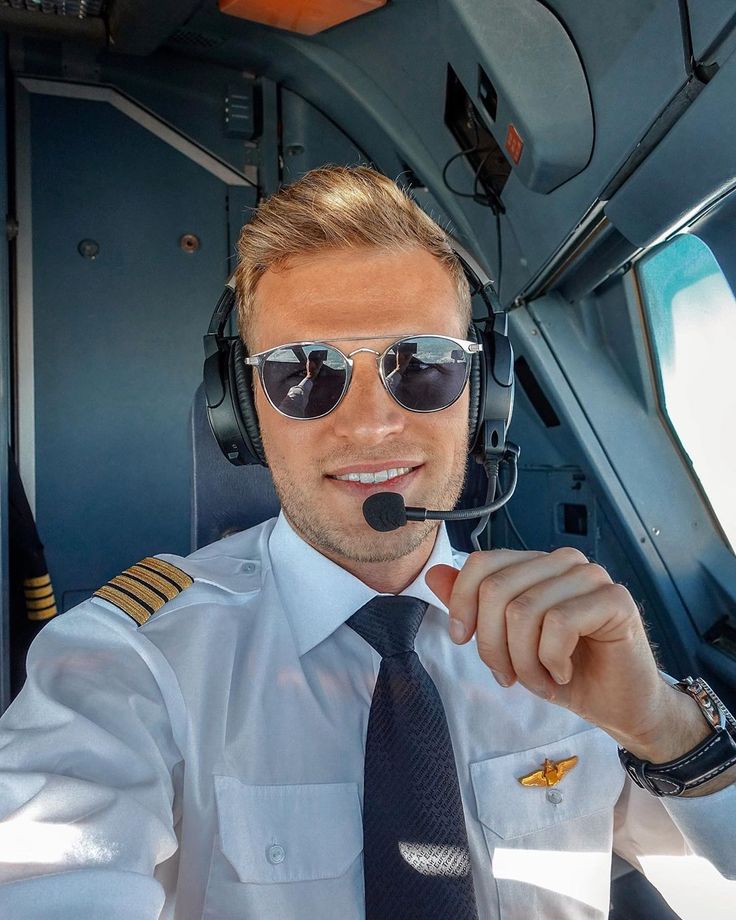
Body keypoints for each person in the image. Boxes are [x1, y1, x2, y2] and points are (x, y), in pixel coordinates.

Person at [0, 165, 734, 920]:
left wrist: (662, 725)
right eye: (305, 374)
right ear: (242, 410)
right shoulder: (132, 663)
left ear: (486, 392)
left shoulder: (570, 647)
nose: (372, 426)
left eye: (421, 366)